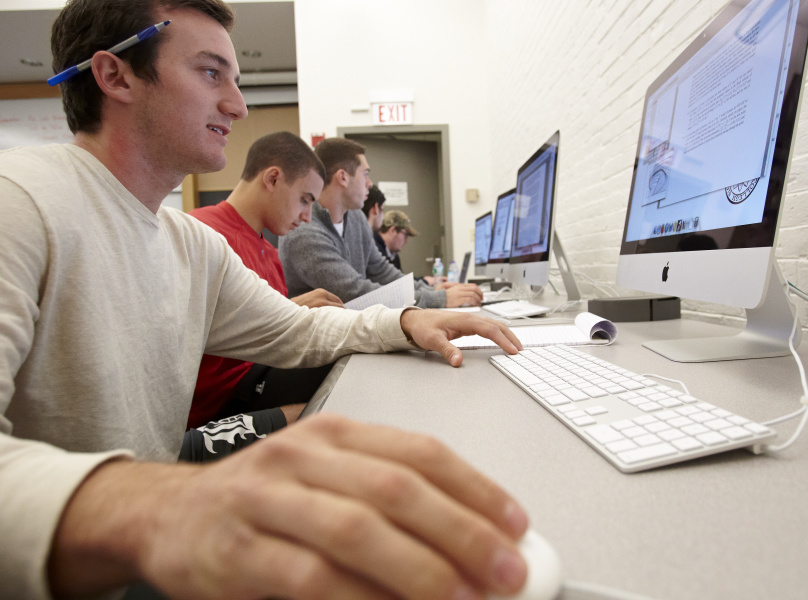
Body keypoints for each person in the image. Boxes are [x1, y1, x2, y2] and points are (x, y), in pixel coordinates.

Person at [0, 1, 530, 599]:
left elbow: (298, 330)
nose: (237, 105)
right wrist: (157, 507)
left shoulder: (191, 244)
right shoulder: (21, 203)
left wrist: (411, 319)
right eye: (210, 73)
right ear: (115, 75)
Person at [182, 131, 341, 458]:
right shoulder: (199, 235)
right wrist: (290, 309)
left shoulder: (269, 251)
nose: (307, 216)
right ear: (272, 178)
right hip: (219, 401)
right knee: (334, 369)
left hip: (255, 375)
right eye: (305, 199)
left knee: (343, 352)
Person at [280, 137, 484, 307]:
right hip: (322, 347)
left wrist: (429, 290)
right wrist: (437, 299)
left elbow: (381, 272)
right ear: (342, 177)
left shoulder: (356, 217)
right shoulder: (304, 232)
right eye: (365, 174)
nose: (370, 184)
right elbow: (355, 293)